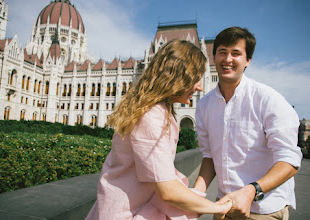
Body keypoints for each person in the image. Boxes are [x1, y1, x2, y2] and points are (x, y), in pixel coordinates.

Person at [86, 40, 232, 220]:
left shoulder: (157, 110)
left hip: (135, 207)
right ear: (179, 76)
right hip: (126, 213)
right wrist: (218, 207)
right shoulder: (151, 116)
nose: (200, 87)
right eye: (197, 78)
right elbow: (168, 191)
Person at [194, 26, 303, 219]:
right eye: (222, 52)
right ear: (213, 58)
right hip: (223, 206)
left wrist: (251, 191)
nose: (227, 59)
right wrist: (197, 194)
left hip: (264, 209)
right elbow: (209, 156)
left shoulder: (268, 100)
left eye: (236, 53)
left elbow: (290, 160)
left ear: (247, 61)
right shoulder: (204, 105)